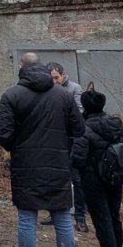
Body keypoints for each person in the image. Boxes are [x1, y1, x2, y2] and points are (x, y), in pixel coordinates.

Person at [0, 61, 84, 247]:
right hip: (58, 164)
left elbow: (1, 131)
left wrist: (19, 147)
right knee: (63, 219)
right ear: (46, 73)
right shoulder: (64, 95)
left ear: (21, 74)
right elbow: (79, 128)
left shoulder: (12, 95)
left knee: (27, 219)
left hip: (26, 165)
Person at [70, 89, 123, 247]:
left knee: (101, 219)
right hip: (114, 177)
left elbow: (77, 158)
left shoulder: (84, 128)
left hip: (93, 180)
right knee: (114, 216)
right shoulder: (116, 124)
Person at [47, 62, 87, 233]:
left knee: (76, 179)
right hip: (55, 140)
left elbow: (79, 113)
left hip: (71, 140)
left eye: (56, 77)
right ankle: (54, 212)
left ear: (63, 75)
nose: (54, 81)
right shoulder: (47, 89)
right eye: (51, 78)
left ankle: (80, 216)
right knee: (54, 176)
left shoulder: (74, 88)